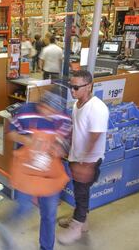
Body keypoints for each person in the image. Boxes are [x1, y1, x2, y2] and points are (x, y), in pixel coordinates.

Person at [7, 88, 72, 250]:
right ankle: (6, 228)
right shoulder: (24, 112)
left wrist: (60, 149)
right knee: (24, 207)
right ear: (40, 103)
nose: (48, 114)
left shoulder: (64, 118)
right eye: (45, 109)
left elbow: (65, 145)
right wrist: (26, 140)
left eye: (53, 111)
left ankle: (46, 247)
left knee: (49, 214)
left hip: (50, 172)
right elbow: (11, 133)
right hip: (27, 171)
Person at [57, 70, 109, 245]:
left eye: (76, 87)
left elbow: (95, 137)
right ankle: (82, 222)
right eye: (71, 86)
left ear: (89, 86)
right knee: (81, 192)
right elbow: (77, 129)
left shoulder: (98, 108)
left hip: (89, 160)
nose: (72, 90)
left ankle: (76, 228)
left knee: (80, 194)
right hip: (77, 156)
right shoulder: (77, 104)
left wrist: (85, 165)